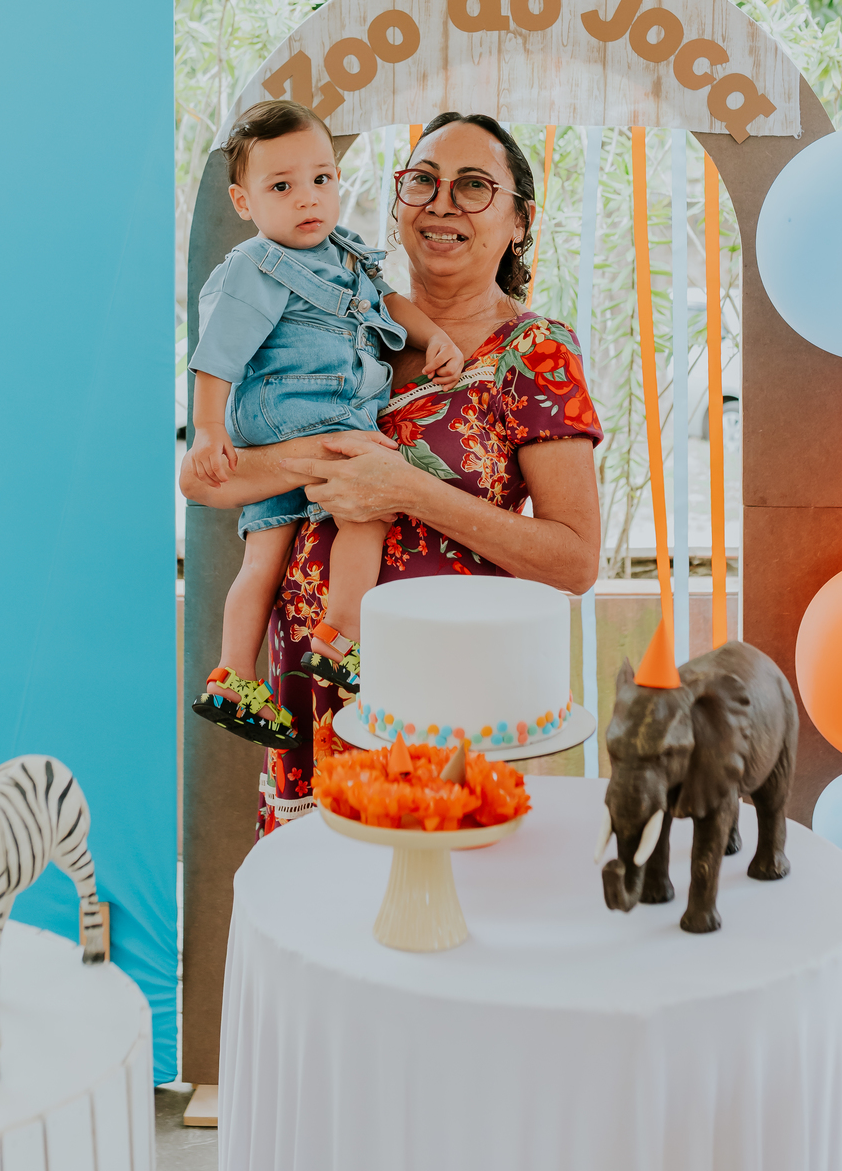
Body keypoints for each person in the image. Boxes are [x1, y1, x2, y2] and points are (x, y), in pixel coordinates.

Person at [181, 111, 604, 836]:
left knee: (426, 892)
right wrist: (323, 454)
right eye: (423, 181)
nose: (441, 203)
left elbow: (575, 561)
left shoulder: (533, 352)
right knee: (319, 898)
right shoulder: (332, 333)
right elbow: (204, 482)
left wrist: (407, 489)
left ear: (519, 222)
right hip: (307, 701)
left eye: (473, 186)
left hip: (438, 707)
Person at [187, 100, 464, 748]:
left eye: (321, 179)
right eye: (282, 187)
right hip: (313, 415)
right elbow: (218, 355)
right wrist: (207, 430)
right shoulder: (256, 266)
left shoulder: (346, 256)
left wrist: (433, 336)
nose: (308, 198)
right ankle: (340, 636)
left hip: (288, 427)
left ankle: (232, 676)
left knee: (263, 556)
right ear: (244, 202)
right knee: (370, 507)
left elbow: (389, 304)